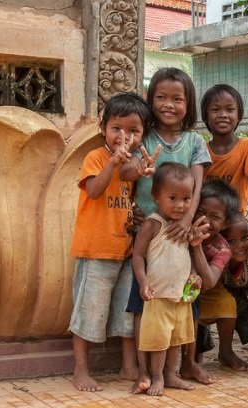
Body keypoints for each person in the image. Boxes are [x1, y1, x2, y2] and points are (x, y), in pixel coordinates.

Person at [121, 67, 213, 390]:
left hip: (181, 233)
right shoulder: (142, 138)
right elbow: (127, 174)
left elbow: (198, 185)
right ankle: (143, 370)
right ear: (151, 99)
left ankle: (184, 365)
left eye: (177, 98)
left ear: (188, 103)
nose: (168, 105)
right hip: (148, 228)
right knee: (143, 301)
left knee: (187, 301)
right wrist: (138, 167)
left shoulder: (194, 141)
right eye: (160, 97)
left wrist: (186, 220)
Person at [68, 92, 151, 392]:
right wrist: (114, 162)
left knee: (125, 312)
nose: (124, 137)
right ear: (103, 128)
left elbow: (131, 179)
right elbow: (94, 191)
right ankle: (80, 370)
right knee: (89, 312)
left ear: (142, 136)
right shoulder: (96, 157)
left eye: (133, 131)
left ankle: (128, 366)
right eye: (117, 128)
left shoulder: (133, 163)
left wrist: (141, 168)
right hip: (96, 251)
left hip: (125, 251)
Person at [132, 162, 204, 396]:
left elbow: (187, 254)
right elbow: (138, 255)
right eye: (172, 198)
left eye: (186, 199)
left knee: (175, 340)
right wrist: (143, 282)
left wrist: (193, 273)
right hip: (158, 295)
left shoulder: (184, 228)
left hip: (180, 295)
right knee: (159, 341)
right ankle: (157, 377)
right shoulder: (152, 225)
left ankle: (172, 375)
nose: (180, 205)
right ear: (156, 196)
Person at [190, 179, 248, 371]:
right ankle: (188, 361)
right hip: (180, 290)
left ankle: (225, 351)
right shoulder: (182, 229)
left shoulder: (222, 248)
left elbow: (209, 282)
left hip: (207, 289)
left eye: (215, 217)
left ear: (224, 223)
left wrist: (197, 245)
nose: (206, 220)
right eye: (200, 212)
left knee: (228, 303)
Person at [201, 84, 248, 213]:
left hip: (235, 219)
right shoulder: (200, 150)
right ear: (205, 116)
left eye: (230, 110)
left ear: (239, 116)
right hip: (205, 219)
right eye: (215, 110)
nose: (223, 115)